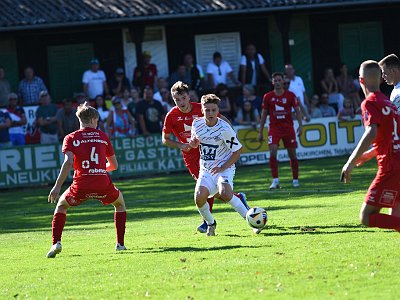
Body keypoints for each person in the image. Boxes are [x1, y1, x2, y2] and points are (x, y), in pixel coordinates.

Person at [162, 81, 248, 233]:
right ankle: (237, 198)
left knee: (212, 189)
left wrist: (231, 135)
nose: (181, 102)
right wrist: (182, 145)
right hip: (191, 154)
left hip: (212, 152)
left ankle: (206, 222)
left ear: (188, 97)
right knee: (206, 190)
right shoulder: (171, 115)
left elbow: (221, 120)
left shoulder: (203, 108)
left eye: (183, 98)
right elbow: (165, 139)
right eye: (177, 99)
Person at [46, 102, 127, 258]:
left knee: (61, 206)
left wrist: (56, 187)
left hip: (81, 184)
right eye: (97, 121)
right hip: (102, 183)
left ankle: (56, 242)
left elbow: (68, 162)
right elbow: (114, 166)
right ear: (93, 120)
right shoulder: (103, 136)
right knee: (119, 204)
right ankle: (120, 245)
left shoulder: (70, 138)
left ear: (80, 119)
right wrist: (99, 169)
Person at [341, 60, 400, 232]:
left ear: (361, 80)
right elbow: (393, 138)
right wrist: (369, 153)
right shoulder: (390, 104)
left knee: (366, 217)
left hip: (389, 167)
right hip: (397, 161)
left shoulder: (370, 102)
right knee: (395, 217)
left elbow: (371, 132)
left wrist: (350, 163)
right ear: (381, 79)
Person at [189, 93, 251, 236]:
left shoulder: (224, 128)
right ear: (202, 110)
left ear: (218, 111)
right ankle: (211, 223)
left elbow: (237, 151)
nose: (210, 113)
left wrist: (222, 167)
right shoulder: (196, 124)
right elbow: (194, 141)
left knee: (225, 193)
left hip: (225, 167)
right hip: (206, 169)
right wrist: (193, 143)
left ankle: (251, 219)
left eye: (213, 110)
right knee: (199, 198)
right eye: (207, 110)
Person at [258, 72, 303, 189]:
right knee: (272, 151)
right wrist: (260, 131)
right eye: (275, 80)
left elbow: (297, 111)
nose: (277, 83)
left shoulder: (290, 95)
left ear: (283, 81)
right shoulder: (267, 97)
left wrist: (301, 125)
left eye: (279, 80)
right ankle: (275, 180)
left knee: (292, 154)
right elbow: (264, 115)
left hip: (288, 128)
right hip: (274, 128)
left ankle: (295, 179)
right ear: (272, 82)